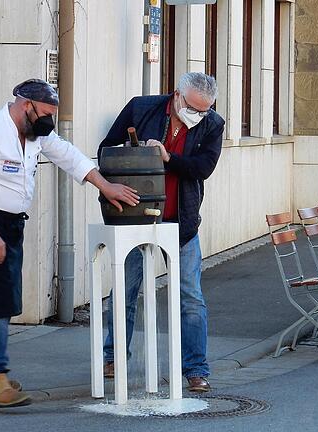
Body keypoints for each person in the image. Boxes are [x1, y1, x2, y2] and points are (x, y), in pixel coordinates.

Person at [0, 79, 140, 408]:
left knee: (2, 298)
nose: (48, 122)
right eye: (46, 114)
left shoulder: (36, 133)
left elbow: (69, 156)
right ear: (26, 106)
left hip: (10, 224)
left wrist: (104, 185)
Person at [98, 72, 224, 393]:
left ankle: (196, 369)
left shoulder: (212, 124)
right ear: (177, 96)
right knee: (125, 291)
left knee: (190, 297)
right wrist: (138, 152)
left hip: (181, 222)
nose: (197, 115)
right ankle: (113, 357)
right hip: (135, 216)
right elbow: (107, 150)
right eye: (192, 107)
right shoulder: (142, 109)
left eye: (204, 110)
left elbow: (202, 169)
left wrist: (168, 158)